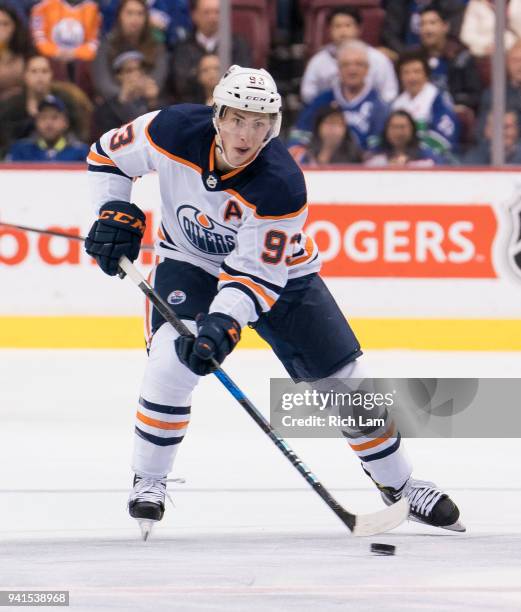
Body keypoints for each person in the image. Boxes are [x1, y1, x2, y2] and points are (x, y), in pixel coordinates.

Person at [84, 64, 464, 535]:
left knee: (347, 384)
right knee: (168, 363)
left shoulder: (280, 183)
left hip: (284, 277)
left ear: (275, 126)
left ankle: (401, 485)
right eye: (238, 119)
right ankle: (150, 480)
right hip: (189, 260)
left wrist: (223, 324)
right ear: (217, 114)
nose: (247, 134)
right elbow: (107, 156)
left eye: (260, 122)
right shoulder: (170, 129)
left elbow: (254, 275)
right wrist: (113, 209)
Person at [289, 41, 389, 155]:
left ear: (367, 69)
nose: (352, 70)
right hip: (322, 164)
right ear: (338, 69)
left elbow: (378, 148)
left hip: (362, 167)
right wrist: (298, 149)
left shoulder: (379, 105)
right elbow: (300, 135)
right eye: (346, 64)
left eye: (358, 64)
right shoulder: (322, 101)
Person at [300, 6, 398, 105]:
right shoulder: (318, 61)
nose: (343, 32)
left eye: (347, 25)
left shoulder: (378, 59)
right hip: (330, 115)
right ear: (329, 30)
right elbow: (308, 94)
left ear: (359, 29)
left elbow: (389, 93)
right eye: (337, 26)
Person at [0, 53, 90, 156]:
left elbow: (79, 133)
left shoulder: (67, 101)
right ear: (25, 76)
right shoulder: (11, 107)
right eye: (34, 71)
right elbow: (6, 142)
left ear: (51, 74)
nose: (39, 76)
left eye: (44, 71)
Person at [169, 0, 250, 102]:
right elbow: (180, 83)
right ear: (195, 15)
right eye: (207, 12)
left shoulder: (238, 44)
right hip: (193, 106)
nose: (213, 18)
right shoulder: (182, 46)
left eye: (217, 12)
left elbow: (243, 79)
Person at [92, 0, 168, 102]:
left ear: (146, 18)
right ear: (119, 16)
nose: (135, 19)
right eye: (129, 13)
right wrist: (123, 93)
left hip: (147, 103)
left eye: (140, 13)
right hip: (115, 105)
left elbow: (158, 80)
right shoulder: (106, 46)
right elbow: (103, 82)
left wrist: (143, 90)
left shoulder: (157, 46)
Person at [392, 50, 459, 156]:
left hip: (435, 161)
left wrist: (413, 155)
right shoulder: (396, 104)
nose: (412, 77)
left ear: (426, 75)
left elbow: (444, 142)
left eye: (417, 72)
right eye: (406, 72)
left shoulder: (438, 100)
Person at [417, 3, 481, 111]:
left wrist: (455, 103)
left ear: (445, 27)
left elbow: (475, 96)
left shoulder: (462, 57)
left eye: (432, 23)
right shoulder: (414, 58)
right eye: (422, 24)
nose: (427, 29)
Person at [91, 50, 162, 139]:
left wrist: (153, 102)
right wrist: (123, 100)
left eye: (140, 69)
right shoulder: (107, 107)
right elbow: (109, 137)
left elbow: (163, 130)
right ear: (119, 76)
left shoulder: (155, 100)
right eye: (129, 71)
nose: (137, 74)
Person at [6, 93, 88, 160]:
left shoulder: (80, 151)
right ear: (36, 122)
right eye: (43, 117)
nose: (48, 123)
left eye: (54, 117)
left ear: (65, 122)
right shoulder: (21, 149)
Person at [381, 0, 466, 59]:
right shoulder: (398, 4)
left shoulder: (451, 6)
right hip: (407, 58)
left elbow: (455, 37)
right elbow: (390, 35)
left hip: (442, 58)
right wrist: (407, 56)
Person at [366, 109, 447, 166]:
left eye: (402, 127)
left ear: (412, 130)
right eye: (394, 127)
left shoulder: (425, 154)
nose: (398, 132)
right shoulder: (376, 153)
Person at [30, 0, 101, 63]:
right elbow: (39, 39)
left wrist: (75, 53)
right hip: (47, 62)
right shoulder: (42, 6)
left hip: (81, 64)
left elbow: (93, 44)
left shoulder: (92, 9)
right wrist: (55, 51)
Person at [294, 103, 363, 166]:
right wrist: (326, 151)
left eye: (338, 123)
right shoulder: (304, 152)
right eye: (329, 122)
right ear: (319, 126)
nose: (333, 128)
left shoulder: (353, 154)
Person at [0, 3, 32, 101]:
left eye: (5, 24)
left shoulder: (26, 52)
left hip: (20, 105)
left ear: (15, 27)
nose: (1, 29)